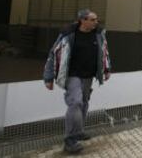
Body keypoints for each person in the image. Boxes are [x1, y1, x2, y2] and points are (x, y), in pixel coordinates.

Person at [43, 9, 111, 153]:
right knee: (75, 102)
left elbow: (104, 52)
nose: (96, 22)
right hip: (72, 74)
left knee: (84, 102)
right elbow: (53, 53)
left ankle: (79, 131)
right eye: (92, 19)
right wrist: (48, 77)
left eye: (96, 19)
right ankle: (70, 140)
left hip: (89, 75)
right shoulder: (68, 35)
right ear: (82, 20)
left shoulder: (98, 34)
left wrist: (106, 69)